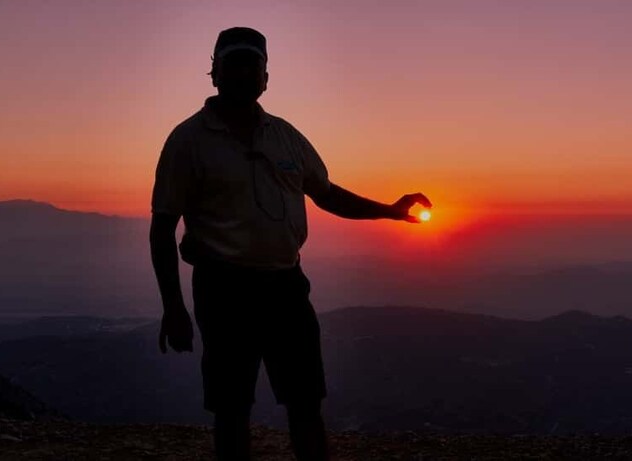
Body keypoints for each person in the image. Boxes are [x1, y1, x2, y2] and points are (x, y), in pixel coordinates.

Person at [149, 26, 432, 461]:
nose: (244, 74)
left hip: (286, 287)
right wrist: (172, 306)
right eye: (234, 64)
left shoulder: (285, 137)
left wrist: (390, 211)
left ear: (266, 76)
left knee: (305, 402)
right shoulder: (188, 141)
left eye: (252, 65)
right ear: (214, 73)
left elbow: (327, 193)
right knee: (231, 408)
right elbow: (163, 226)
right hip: (223, 290)